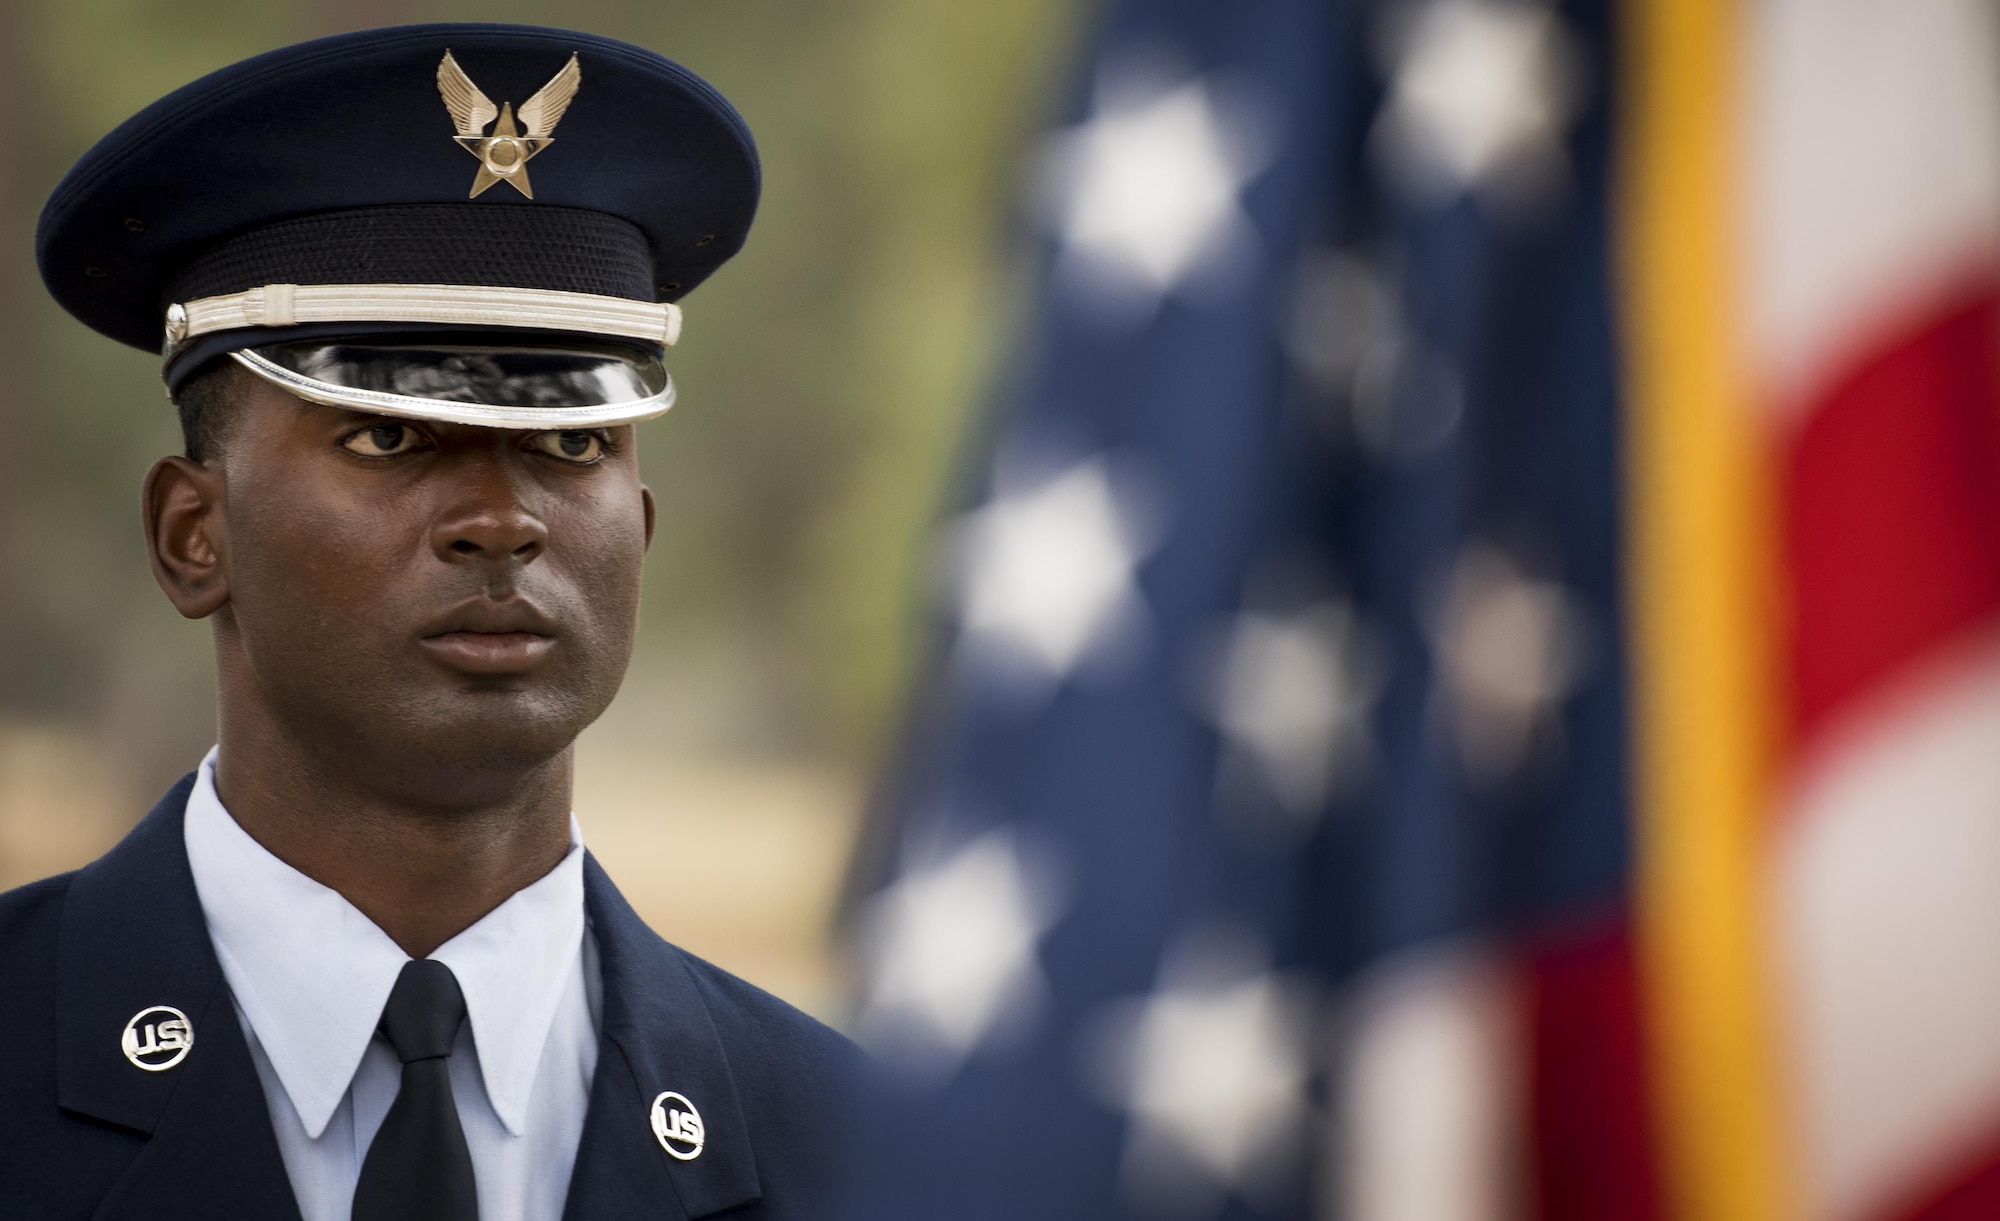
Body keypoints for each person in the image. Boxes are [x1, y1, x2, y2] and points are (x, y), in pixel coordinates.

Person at [0, 23, 855, 1221]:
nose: (502, 520)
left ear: (642, 533)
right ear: (193, 536)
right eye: (386, 436)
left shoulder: (862, 1148)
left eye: (571, 442)